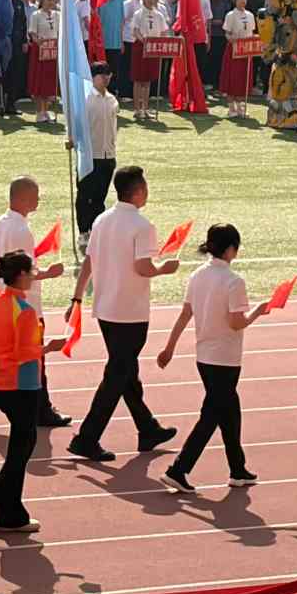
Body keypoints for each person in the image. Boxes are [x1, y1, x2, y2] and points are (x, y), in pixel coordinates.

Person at [65, 165, 181, 461]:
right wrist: (164, 268)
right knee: (117, 374)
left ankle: (147, 427)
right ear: (138, 191)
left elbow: (89, 261)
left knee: (126, 370)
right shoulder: (143, 226)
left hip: (105, 308)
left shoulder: (102, 219)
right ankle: (87, 437)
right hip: (130, 312)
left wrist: (77, 297)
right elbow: (143, 267)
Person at [156, 224, 268, 494]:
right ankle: (178, 469)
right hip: (225, 358)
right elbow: (236, 322)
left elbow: (185, 314)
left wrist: (169, 347)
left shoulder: (198, 275)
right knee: (212, 415)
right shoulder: (233, 281)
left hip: (204, 357)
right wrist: (258, 311)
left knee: (230, 411)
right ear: (230, 249)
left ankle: (238, 469)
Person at [0, 175, 67, 426]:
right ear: (22, 198)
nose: (38, 200)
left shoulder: (2, 223)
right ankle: (42, 410)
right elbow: (25, 272)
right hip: (26, 302)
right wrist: (50, 273)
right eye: (35, 196)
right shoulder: (21, 230)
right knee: (34, 356)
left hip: (1, 298)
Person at [0, 250, 47, 533]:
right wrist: (48, 347)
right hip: (22, 383)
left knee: (22, 444)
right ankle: (8, 511)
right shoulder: (25, 311)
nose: (34, 276)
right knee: (22, 447)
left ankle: (1, 499)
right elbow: (23, 353)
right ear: (20, 275)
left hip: (2, 381)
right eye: (31, 271)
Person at [72, 62, 119, 237]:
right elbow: (76, 122)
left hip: (108, 155)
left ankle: (96, 230)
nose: (106, 78)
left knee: (100, 197)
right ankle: (83, 231)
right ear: (93, 77)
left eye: (108, 74)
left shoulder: (112, 99)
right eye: (102, 75)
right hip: (89, 155)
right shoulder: (85, 99)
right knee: (85, 195)